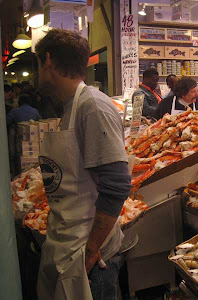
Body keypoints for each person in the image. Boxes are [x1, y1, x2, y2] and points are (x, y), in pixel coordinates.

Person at [35, 29, 132, 300]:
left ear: (48, 60)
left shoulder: (93, 106)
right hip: (68, 243)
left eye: (37, 64)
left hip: (91, 260)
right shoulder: (69, 107)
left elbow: (117, 185)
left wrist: (91, 250)